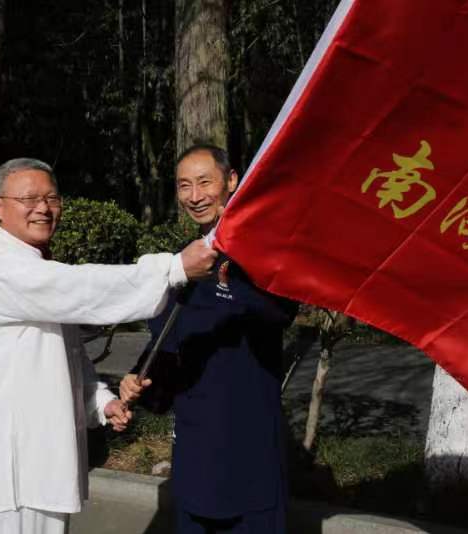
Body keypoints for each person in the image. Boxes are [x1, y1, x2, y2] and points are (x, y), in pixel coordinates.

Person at [0, 157, 217, 534]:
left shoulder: (38, 266)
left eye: (51, 198)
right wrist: (173, 268)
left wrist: (100, 402)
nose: (43, 208)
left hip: (43, 468)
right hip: (8, 474)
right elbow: (79, 287)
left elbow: (66, 357)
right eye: (29, 198)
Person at [120, 144, 298, 534]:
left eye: (205, 182)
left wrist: (233, 279)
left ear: (231, 181)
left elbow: (282, 313)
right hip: (196, 446)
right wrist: (137, 382)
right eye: (185, 186)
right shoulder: (182, 265)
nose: (195, 196)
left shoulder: (264, 254)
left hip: (249, 444)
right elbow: (166, 349)